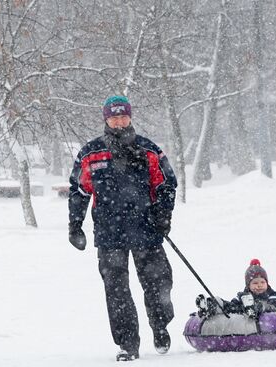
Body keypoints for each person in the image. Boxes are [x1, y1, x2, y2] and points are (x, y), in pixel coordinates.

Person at [68, 95, 178, 361]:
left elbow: (167, 184)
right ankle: (128, 343)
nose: (119, 121)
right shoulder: (91, 153)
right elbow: (79, 190)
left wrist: (163, 215)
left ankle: (160, 324)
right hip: (109, 233)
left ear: (130, 117)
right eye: (114, 117)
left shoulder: (148, 149)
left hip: (146, 227)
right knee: (116, 290)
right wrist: (75, 225)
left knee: (158, 282)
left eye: (123, 116)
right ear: (106, 119)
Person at [196, 259, 276, 319]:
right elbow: (233, 305)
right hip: (243, 312)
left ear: (267, 283)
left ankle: (252, 308)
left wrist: (260, 306)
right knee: (230, 307)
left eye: (262, 282)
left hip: (264, 316)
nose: (259, 285)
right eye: (255, 283)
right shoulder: (243, 296)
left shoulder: (272, 295)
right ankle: (212, 305)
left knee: (263, 305)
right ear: (248, 285)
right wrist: (230, 306)